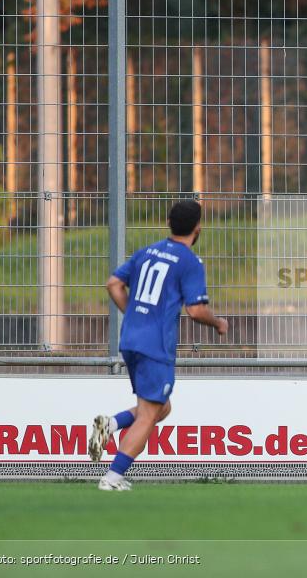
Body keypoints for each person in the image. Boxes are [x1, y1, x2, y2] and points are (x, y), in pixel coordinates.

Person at [88, 200, 229, 491]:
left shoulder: (146, 252)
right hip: (155, 345)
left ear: (168, 222)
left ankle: (111, 424)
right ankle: (112, 478)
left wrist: (135, 314)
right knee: (150, 414)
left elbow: (113, 284)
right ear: (198, 228)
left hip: (130, 338)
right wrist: (218, 323)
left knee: (161, 407)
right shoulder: (190, 261)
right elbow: (196, 310)